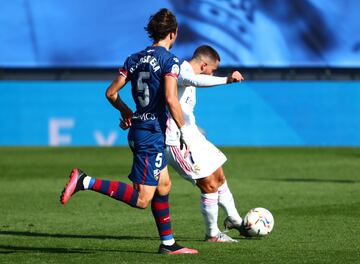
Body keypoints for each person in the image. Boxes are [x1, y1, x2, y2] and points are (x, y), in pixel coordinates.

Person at [59, 8, 198, 255]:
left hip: (140, 129)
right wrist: (185, 131)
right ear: (173, 34)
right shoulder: (170, 61)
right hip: (151, 134)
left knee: (163, 185)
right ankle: (85, 180)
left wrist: (127, 112)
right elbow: (170, 97)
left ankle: (168, 244)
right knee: (143, 199)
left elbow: (111, 93)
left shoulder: (134, 59)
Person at [165, 45, 247, 242]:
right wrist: (226, 79)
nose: (213, 73)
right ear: (203, 64)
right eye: (213, 69)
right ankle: (212, 234)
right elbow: (196, 79)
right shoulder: (181, 70)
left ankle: (234, 219)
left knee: (218, 174)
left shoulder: (188, 75)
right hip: (176, 140)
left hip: (191, 135)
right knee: (208, 184)